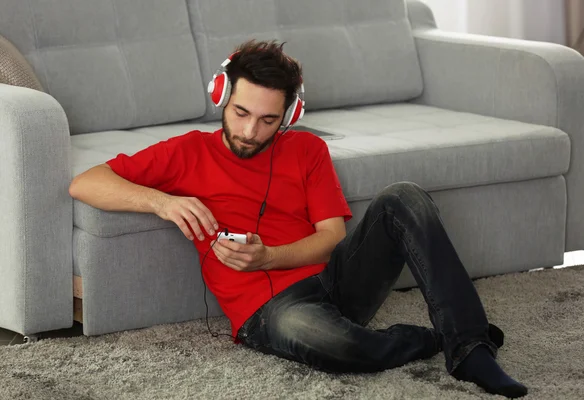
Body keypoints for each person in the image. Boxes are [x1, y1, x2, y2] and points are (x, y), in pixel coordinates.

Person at [69, 39, 528, 398]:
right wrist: (163, 203)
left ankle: (469, 348)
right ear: (221, 96)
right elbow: (85, 182)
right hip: (269, 311)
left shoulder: (308, 149)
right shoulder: (186, 152)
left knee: (403, 197)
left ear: (289, 113)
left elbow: (331, 237)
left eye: (268, 120)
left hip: (334, 280)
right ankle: (434, 339)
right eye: (241, 112)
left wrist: (268, 256)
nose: (250, 132)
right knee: (345, 348)